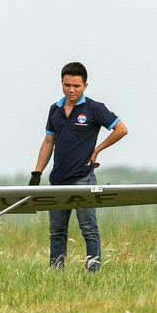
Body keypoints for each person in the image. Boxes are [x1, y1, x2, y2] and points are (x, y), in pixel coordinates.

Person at [29, 61, 128, 273]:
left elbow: (121, 129)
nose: (71, 90)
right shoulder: (54, 110)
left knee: (88, 229)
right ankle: (56, 272)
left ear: (85, 85)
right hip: (57, 180)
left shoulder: (94, 108)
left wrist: (97, 150)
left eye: (76, 86)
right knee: (57, 231)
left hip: (83, 178)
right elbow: (48, 142)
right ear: (62, 84)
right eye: (67, 85)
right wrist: (37, 173)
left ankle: (93, 272)